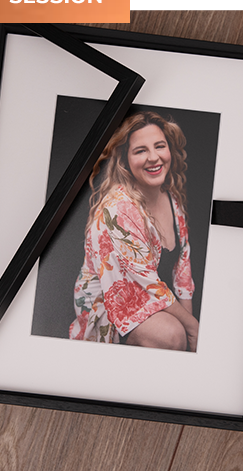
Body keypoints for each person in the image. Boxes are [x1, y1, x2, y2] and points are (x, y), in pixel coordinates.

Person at [69, 111, 198, 351]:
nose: (153, 157)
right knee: (173, 335)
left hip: (148, 296)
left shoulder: (171, 200)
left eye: (160, 146)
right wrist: (192, 328)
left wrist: (194, 344)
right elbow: (148, 283)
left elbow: (182, 266)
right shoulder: (117, 209)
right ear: (124, 159)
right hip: (111, 305)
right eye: (140, 151)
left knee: (184, 335)